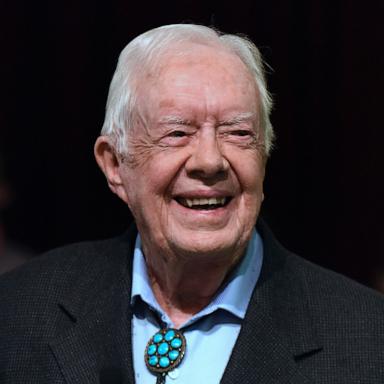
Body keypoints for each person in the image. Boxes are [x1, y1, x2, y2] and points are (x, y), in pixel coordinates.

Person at [0, 24, 383, 384]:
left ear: (264, 158)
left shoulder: (367, 340)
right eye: (177, 132)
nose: (210, 161)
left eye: (238, 133)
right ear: (115, 164)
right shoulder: (18, 311)